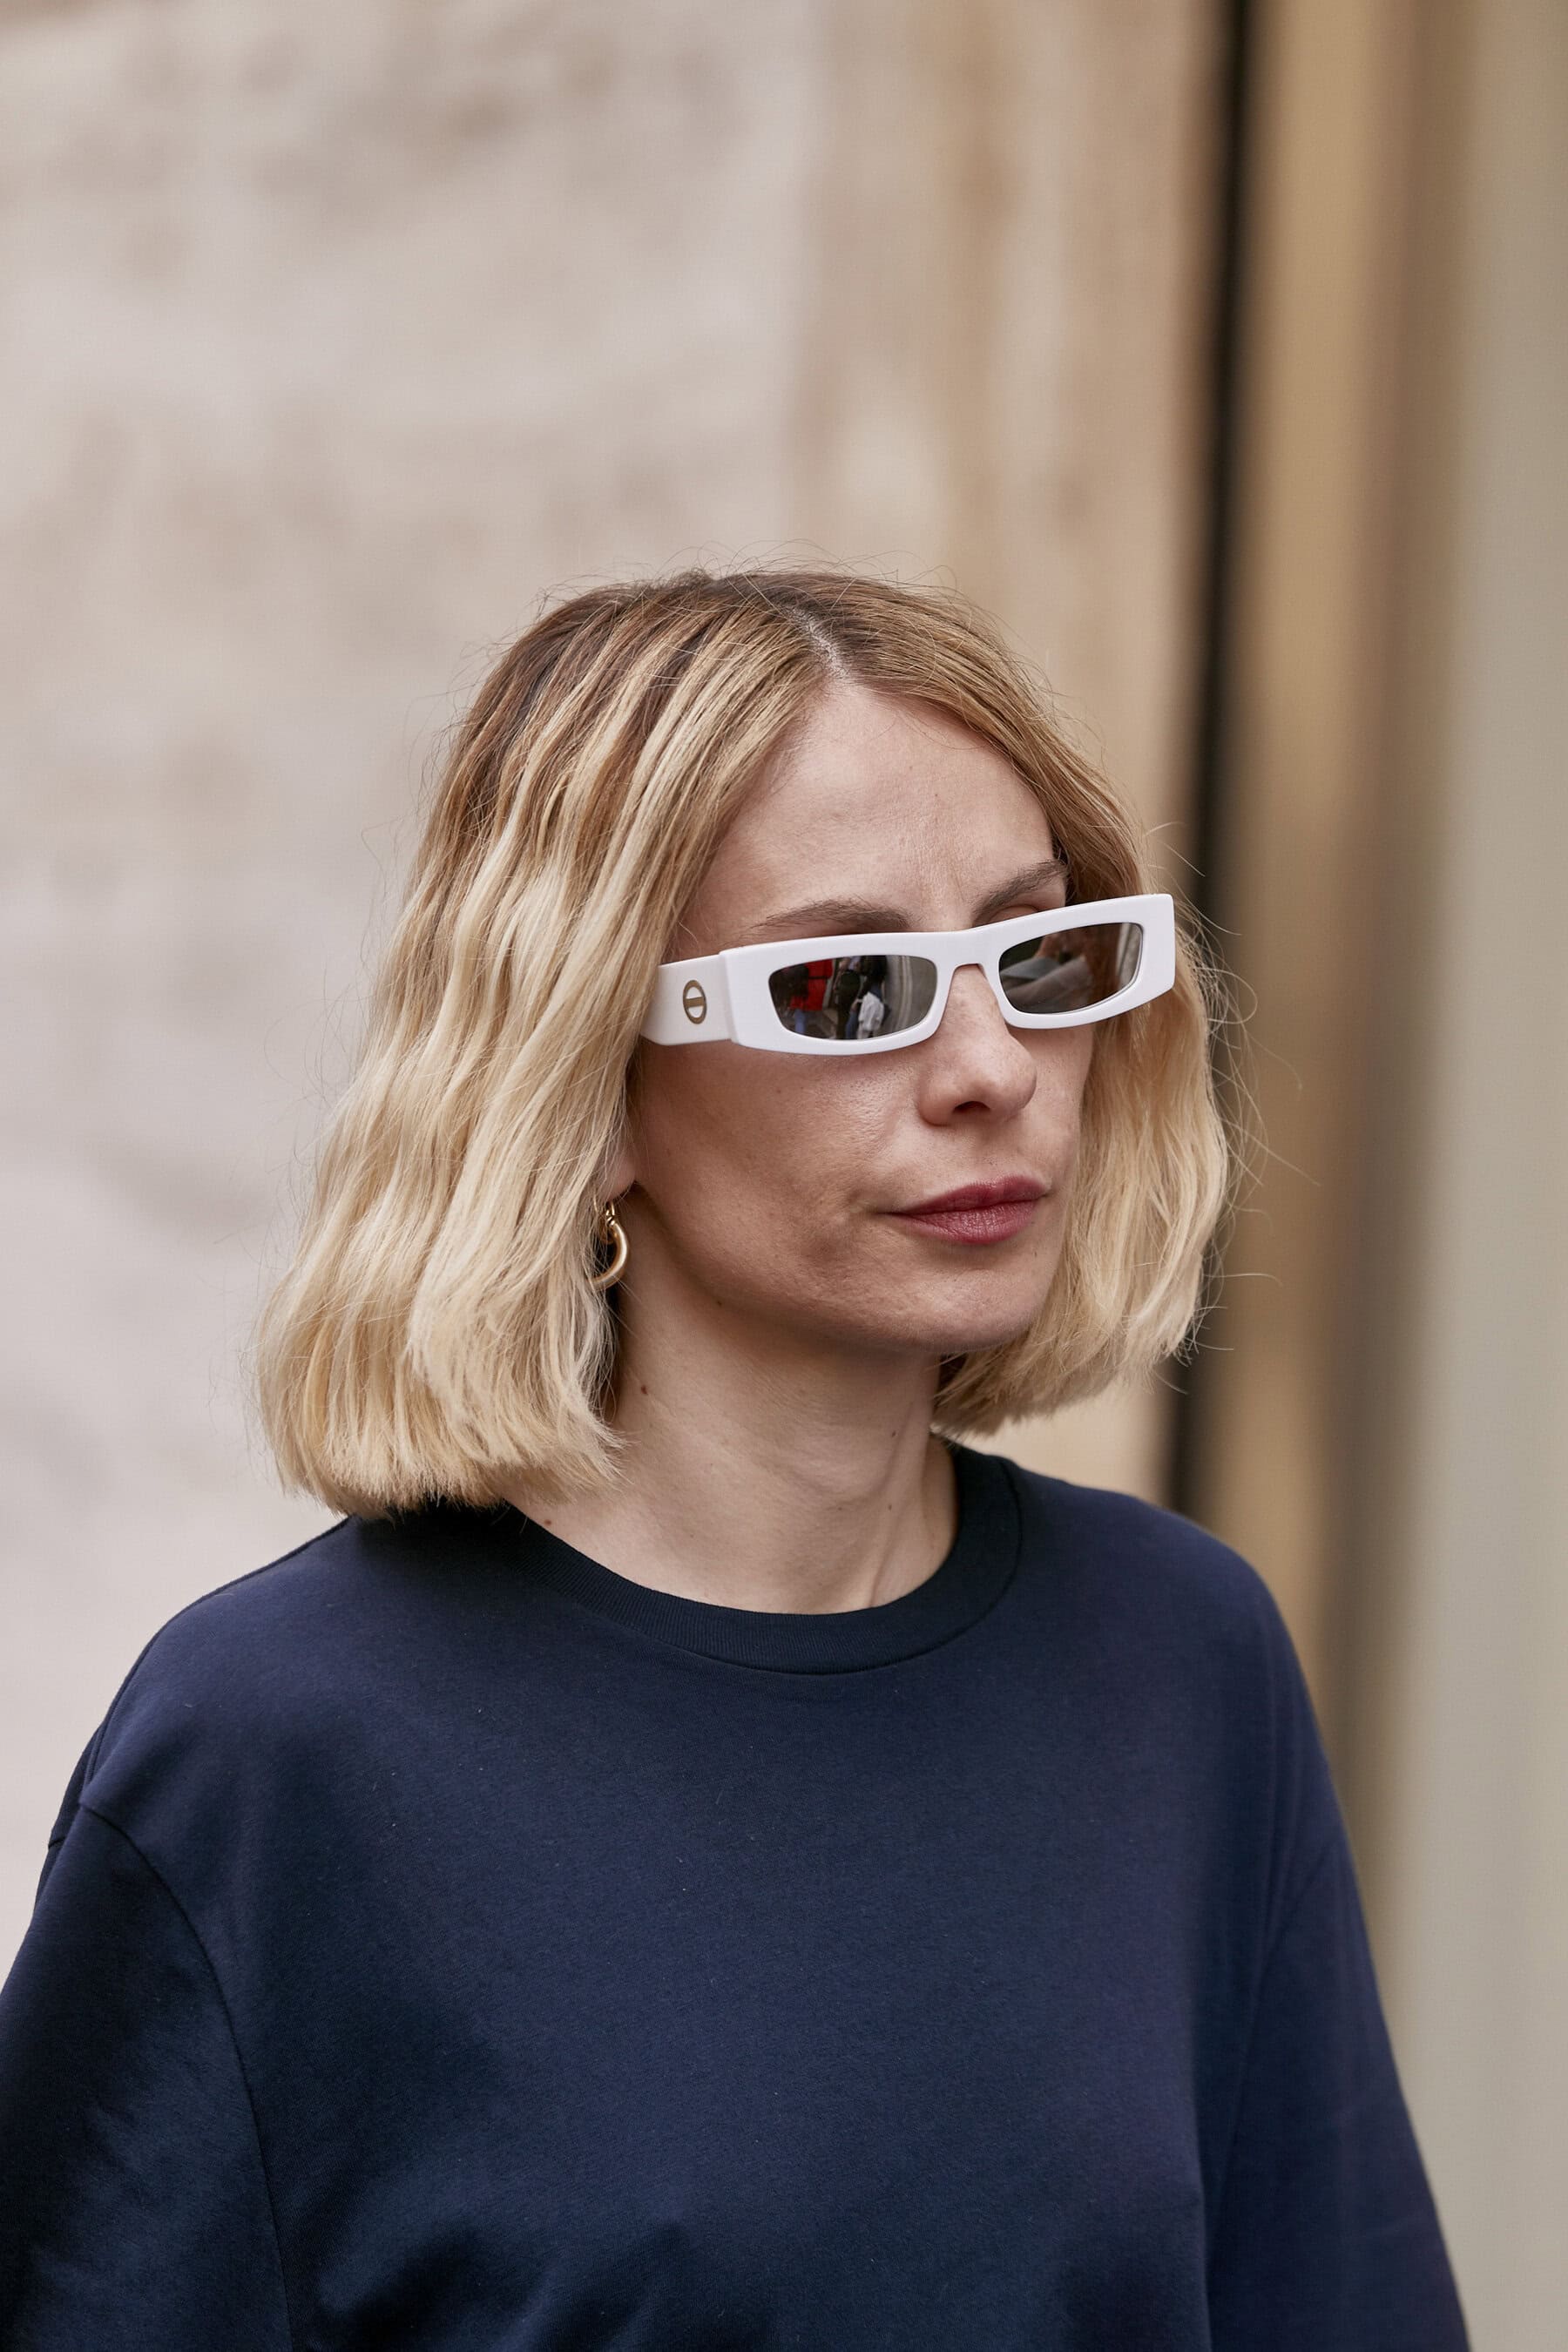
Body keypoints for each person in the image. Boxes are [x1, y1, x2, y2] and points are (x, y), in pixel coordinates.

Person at [0, 568, 1469, 2349]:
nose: (995, 1067)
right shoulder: (280, 1745)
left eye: (1038, 957)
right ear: (591, 1079)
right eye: (850, 988)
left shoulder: (1181, 1658)